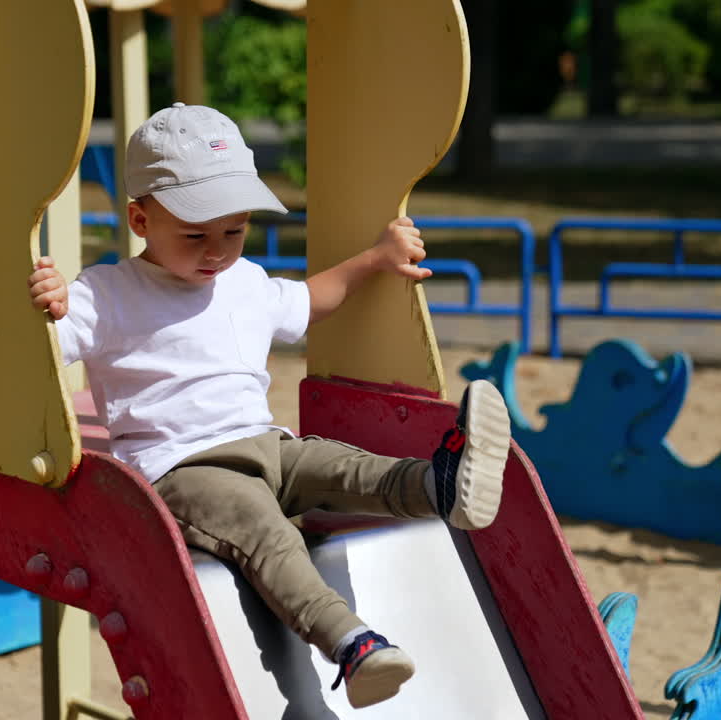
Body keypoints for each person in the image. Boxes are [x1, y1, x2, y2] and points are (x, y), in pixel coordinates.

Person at [28, 103, 511, 709]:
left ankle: (440, 487)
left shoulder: (244, 280)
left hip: (267, 443)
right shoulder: (108, 293)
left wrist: (377, 258)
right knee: (267, 535)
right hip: (183, 469)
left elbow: (311, 300)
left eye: (233, 231)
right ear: (140, 219)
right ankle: (352, 644)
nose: (217, 251)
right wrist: (48, 303)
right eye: (196, 235)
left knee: (343, 465)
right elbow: (47, 348)